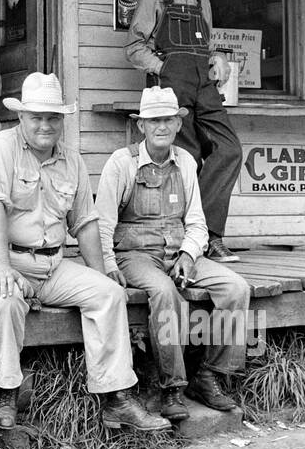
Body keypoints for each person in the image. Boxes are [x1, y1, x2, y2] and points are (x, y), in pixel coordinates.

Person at [0, 72, 171, 433]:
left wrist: (98, 271)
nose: (45, 125)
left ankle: (117, 399)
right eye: (36, 116)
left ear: (62, 121)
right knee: (4, 297)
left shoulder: (71, 160)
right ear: (20, 117)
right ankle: (7, 391)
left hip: (49, 264)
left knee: (108, 294)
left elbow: (84, 222)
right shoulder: (1, 149)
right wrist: (2, 268)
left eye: (53, 117)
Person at [95, 87, 249, 421]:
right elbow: (102, 224)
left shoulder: (187, 163)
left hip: (178, 252)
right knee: (165, 293)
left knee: (236, 289)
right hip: (136, 255)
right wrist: (108, 265)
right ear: (141, 127)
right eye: (153, 121)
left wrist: (188, 255)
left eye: (167, 119)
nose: (161, 127)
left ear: (179, 124)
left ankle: (210, 376)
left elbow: (197, 224)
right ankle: (172, 387)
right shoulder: (122, 164)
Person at [125, 0, 242, 262]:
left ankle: (205, 231)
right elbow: (134, 48)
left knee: (229, 149)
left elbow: (207, 46)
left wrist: (217, 58)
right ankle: (202, 239)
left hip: (204, 88)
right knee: (187, 158)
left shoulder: (202, 0)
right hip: (172, 89)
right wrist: (166, 69)